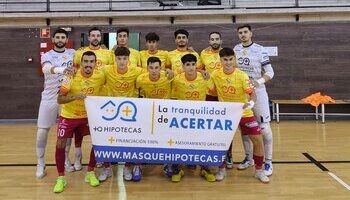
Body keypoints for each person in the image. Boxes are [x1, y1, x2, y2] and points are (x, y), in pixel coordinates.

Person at [99, 47, 173, 182]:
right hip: (112, 112)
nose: (122, 62)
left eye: (124, 59)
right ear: (115, 59)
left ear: (129, 60)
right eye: (119, 59)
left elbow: (154, 71)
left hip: (131, 112)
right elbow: (90, 71)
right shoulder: (106, 69)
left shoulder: (137, 72)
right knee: (108, 139)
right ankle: (106, 167)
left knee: (130, 140)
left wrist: (167, 70)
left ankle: (129, 166)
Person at [211, 48, 269, 183]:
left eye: (231, 59)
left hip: (244, 112)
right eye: (225, 59)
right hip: (225, 113)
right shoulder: (215, 74)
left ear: (234, 59)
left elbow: (252, 94)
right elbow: (210, 91)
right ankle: (222, 169)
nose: (228, 62)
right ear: (220, 60)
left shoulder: (242, 75)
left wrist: (251, 103)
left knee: (258, 139)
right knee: (222, 142)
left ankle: (259, 171)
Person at [53, 51, 105, 193]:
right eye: (86, 62)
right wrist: (75, 96)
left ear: (95, 63)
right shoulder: (70, 75)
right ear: (81, 63)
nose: (88, 65)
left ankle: (90, 172)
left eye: (91, 62)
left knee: (98, 141)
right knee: (60, 143)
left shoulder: (101, 75)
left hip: (88, 116)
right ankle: (61, 178)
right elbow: (59, 99)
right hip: (68, 115)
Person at [234, 24, 274, 176]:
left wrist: (259, 82)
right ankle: (248, 158)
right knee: (244, 128)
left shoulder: (260, 50)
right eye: (240, 33)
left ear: (251, 33)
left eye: (245, 32)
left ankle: (268, 161)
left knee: (264, 128)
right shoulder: (236, 49)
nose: (243, 35)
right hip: (242, 93)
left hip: (259, 92)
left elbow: (270, 72)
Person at [36, 28, 76, 179]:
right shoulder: (47, 55)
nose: (60, 39)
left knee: (66, 132)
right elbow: (46, 68)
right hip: (49, 97)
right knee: (42, 131)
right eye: (57, 37)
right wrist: (62, 69)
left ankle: (65, 159)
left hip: (66, 98)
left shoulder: (73, 53)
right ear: (52, 39)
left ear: (66, 40)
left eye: (63, 37)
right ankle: (40, 163)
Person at [72, 27, 114, 169]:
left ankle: (100, 158)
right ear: (88, 37)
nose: (95, 38)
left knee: (98, 131)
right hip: (83, 96)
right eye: (93, 35)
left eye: (98, 35)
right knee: (79, 130)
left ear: (100, 38)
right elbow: (74, 71)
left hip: (100, 98)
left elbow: (112, 71)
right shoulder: (79, 53)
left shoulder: (108, 53)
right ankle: (78, 157)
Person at [171, 54, 216, 183]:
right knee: (179, 144)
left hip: (200, 118)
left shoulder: (204, 78)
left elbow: (213, 91)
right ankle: (178, 169)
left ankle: (205, 169)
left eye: (193, 65)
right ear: (183, 66)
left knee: (202, 143)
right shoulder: (177, 79)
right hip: (182, 119)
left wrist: (206, 76)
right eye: (187, 65)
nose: (191, 68)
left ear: (196, 65)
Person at [136, 56, 174, 180]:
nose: (153, 71)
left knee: (166, 141)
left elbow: (187, 71)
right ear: (147, 68)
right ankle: (138, 165)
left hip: (164, 115)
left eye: (156, 68)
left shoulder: (168, 76)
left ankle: (167, 164)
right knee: (142, 141)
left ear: (161, 68)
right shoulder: (141, 79)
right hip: (147, 115)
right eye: (151, 68)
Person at [200, 32, 233, 169]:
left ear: (221, 40)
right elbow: (199, 69)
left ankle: (228, 155)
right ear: (209, 41)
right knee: (208, 127)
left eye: (217, 39)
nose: (214, 41)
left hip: (223, 95)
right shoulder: (203, 53)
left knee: (226, 128)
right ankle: (209, 153)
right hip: (208, 94)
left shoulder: (226, 54)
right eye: (212, 39)